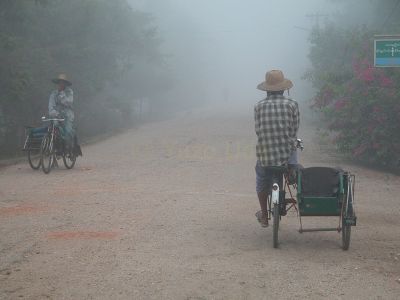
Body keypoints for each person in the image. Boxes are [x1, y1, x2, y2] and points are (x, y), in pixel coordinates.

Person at [254, 70, 300, 227]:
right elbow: (294, 130)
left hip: (266, 155)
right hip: (287, 154)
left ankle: (265, 215)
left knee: (261, 178)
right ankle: (292, 170)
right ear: (283, 88)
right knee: (292, 144)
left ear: (267, 89)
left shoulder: (259, 106)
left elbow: (258, 130)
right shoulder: (292, 104)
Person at [48, 74, 75, 151]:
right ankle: (55, 147)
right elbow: (51, 105)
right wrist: (53, 113)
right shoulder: (53, 93)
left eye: (63, 82)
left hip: (68, 115)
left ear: (66, 84)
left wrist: (62, 94)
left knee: (68, 131)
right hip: (57, 115)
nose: (61, 84)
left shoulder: (69, 92)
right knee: (53, 128)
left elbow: (69, 102)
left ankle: (68, 147)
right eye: (60, 82)